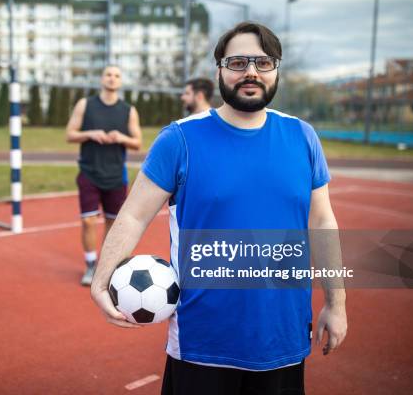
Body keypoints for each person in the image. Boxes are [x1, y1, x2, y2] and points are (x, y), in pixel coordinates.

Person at [91, 22, 347, 394]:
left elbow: (322, 221)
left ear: (276, 70)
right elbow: (132, 214)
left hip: (284, 338)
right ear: (220, 70)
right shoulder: (180, 139)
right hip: (201, 345)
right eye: (238, 62)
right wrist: (101, 279)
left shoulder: (302, 137)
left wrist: (336, 303)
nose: (250, 72)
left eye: (263, 62)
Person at [66, 65, 142, 286]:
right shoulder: (85, 105)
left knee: (112, 222)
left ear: (120, 81)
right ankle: (90, 264)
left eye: (117, 75)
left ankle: (106, 265)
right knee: (89, 221)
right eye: (108, 74)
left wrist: (121, 137)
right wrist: (90, 133)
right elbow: (69, 134)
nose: (112, 78)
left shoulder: (129, 110)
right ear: (102, 78)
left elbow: (137, 143)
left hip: (116, 175)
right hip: (89, 172)